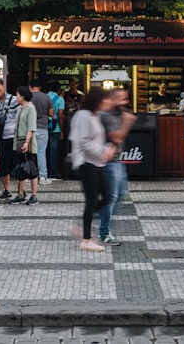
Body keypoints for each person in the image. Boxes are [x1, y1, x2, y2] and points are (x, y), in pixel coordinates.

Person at [70, 87, 114, 252]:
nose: (107, 103)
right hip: (87, 163)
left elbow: (94, 139)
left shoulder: (94, 115)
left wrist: (105, 149)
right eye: (105, 100)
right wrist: (102, 152)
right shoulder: (84, 116)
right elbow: (83, 141)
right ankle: (86, 239)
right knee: (92, 200)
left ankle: (82, 225)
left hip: (97, 162)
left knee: (108, 196)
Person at [98, 88, 135, 246]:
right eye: (121, 99)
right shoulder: (105, 116)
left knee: (120, 194)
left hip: (117, 161)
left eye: (125, 98)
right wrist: (127, 123)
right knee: (112, 197)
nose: (124, 102)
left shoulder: (116, 114)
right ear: (112, 99)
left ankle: (96, 217)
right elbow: (117, 137)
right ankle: (103, 231)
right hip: (108, 163)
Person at [10, 86, 40, 205]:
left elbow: (31, 127)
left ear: (23, 96)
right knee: (20, 167)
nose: (16, 97)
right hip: (18, 141)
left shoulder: (31, 108)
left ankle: (34, 195)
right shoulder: (20, 109)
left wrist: (27, 142)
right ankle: (21, 193)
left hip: (28, 142)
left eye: (17, 95)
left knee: (31, 168)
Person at [0, 78, 19, 200]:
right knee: (3, 165)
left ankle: (20, 191)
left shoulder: (13, 100)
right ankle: (6, 190)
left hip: (13, 136)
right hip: (1, 137)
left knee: (16, 164)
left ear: (4, 86)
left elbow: (20, 116)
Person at [29, 79, 54, 184]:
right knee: (41, 152)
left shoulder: (27, 97)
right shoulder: (46, 97)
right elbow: (51, 114)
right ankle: (43, 176)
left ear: (30, 86)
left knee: (29, 152)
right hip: (43, 128)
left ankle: (28, 176)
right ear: (39, 87)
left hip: (29, 128)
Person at [46, 82, 66, 180]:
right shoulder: (60, 99)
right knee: (54, 151)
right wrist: (62, 131)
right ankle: (53, 173)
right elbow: (60, 116)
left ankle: (43, 172)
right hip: (55, 128)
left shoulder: (44, 97)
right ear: (59, 90)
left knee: (44, 150)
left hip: (43, 127)